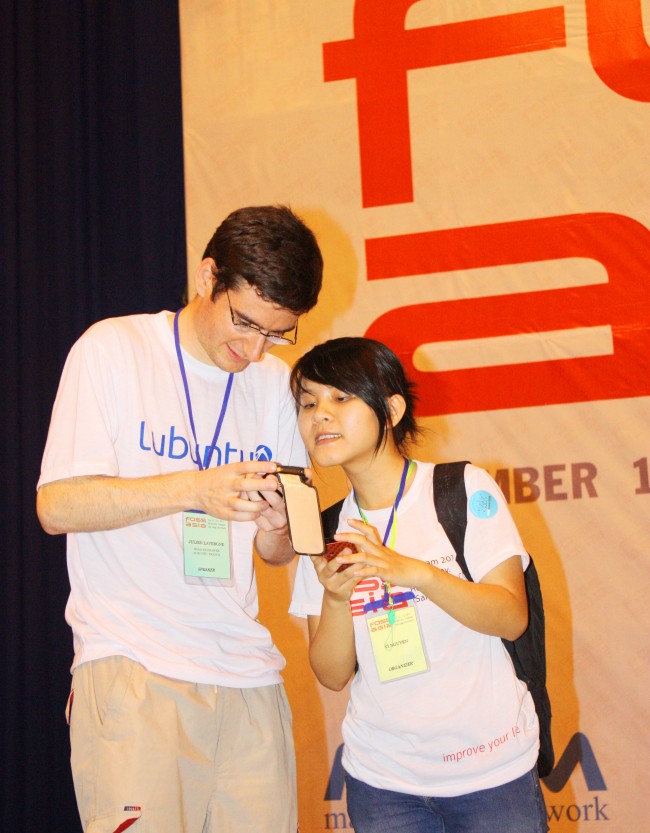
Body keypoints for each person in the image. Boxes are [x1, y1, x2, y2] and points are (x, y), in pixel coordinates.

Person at [36, 205, 323, 833]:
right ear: (207, 276)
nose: (252, 350)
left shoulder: (275, 384)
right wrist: (195, 489)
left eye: (276, 333)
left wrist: (277, 526)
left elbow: (281, 552)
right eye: (244, 322)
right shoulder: (114, 349)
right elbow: (57, 506)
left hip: (248, 677)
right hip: (134, 665)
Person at [289, 337, 549, 833]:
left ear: (391, 408)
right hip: (383, 783)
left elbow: (511, 617)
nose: (320, 414)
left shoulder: (460, 488)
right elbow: (331, 673)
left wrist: (415, 573)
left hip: (491, 772)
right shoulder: (322, 530)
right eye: (308, 403)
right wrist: (338, 595)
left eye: (340, 397)